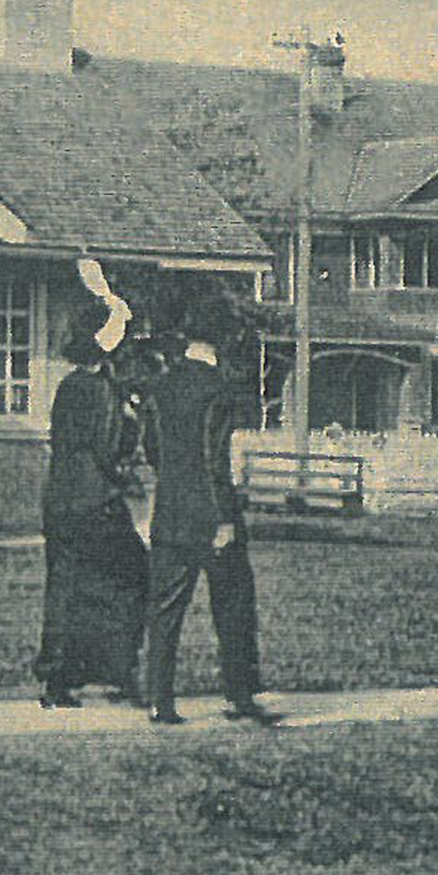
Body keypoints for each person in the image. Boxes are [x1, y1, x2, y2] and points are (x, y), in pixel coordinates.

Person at [139, 302, 276, 727]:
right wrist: (223, 519)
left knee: (165, 612)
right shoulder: (220, 389)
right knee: (233, 607)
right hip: (211, 515)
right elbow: (217, 458)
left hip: (170, 511)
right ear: (223, 343)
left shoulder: (158, 388)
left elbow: (153, 451)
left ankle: (159, 700)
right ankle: (239, 694)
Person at [35, 298, 149, 708]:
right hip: (95, 499)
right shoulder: (102, 391)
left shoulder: (68, 386)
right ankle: (122, 670)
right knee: (132, 578)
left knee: (65, 586)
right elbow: (106, 447)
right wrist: (130, 438)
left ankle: (58, 677)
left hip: (60, 498)